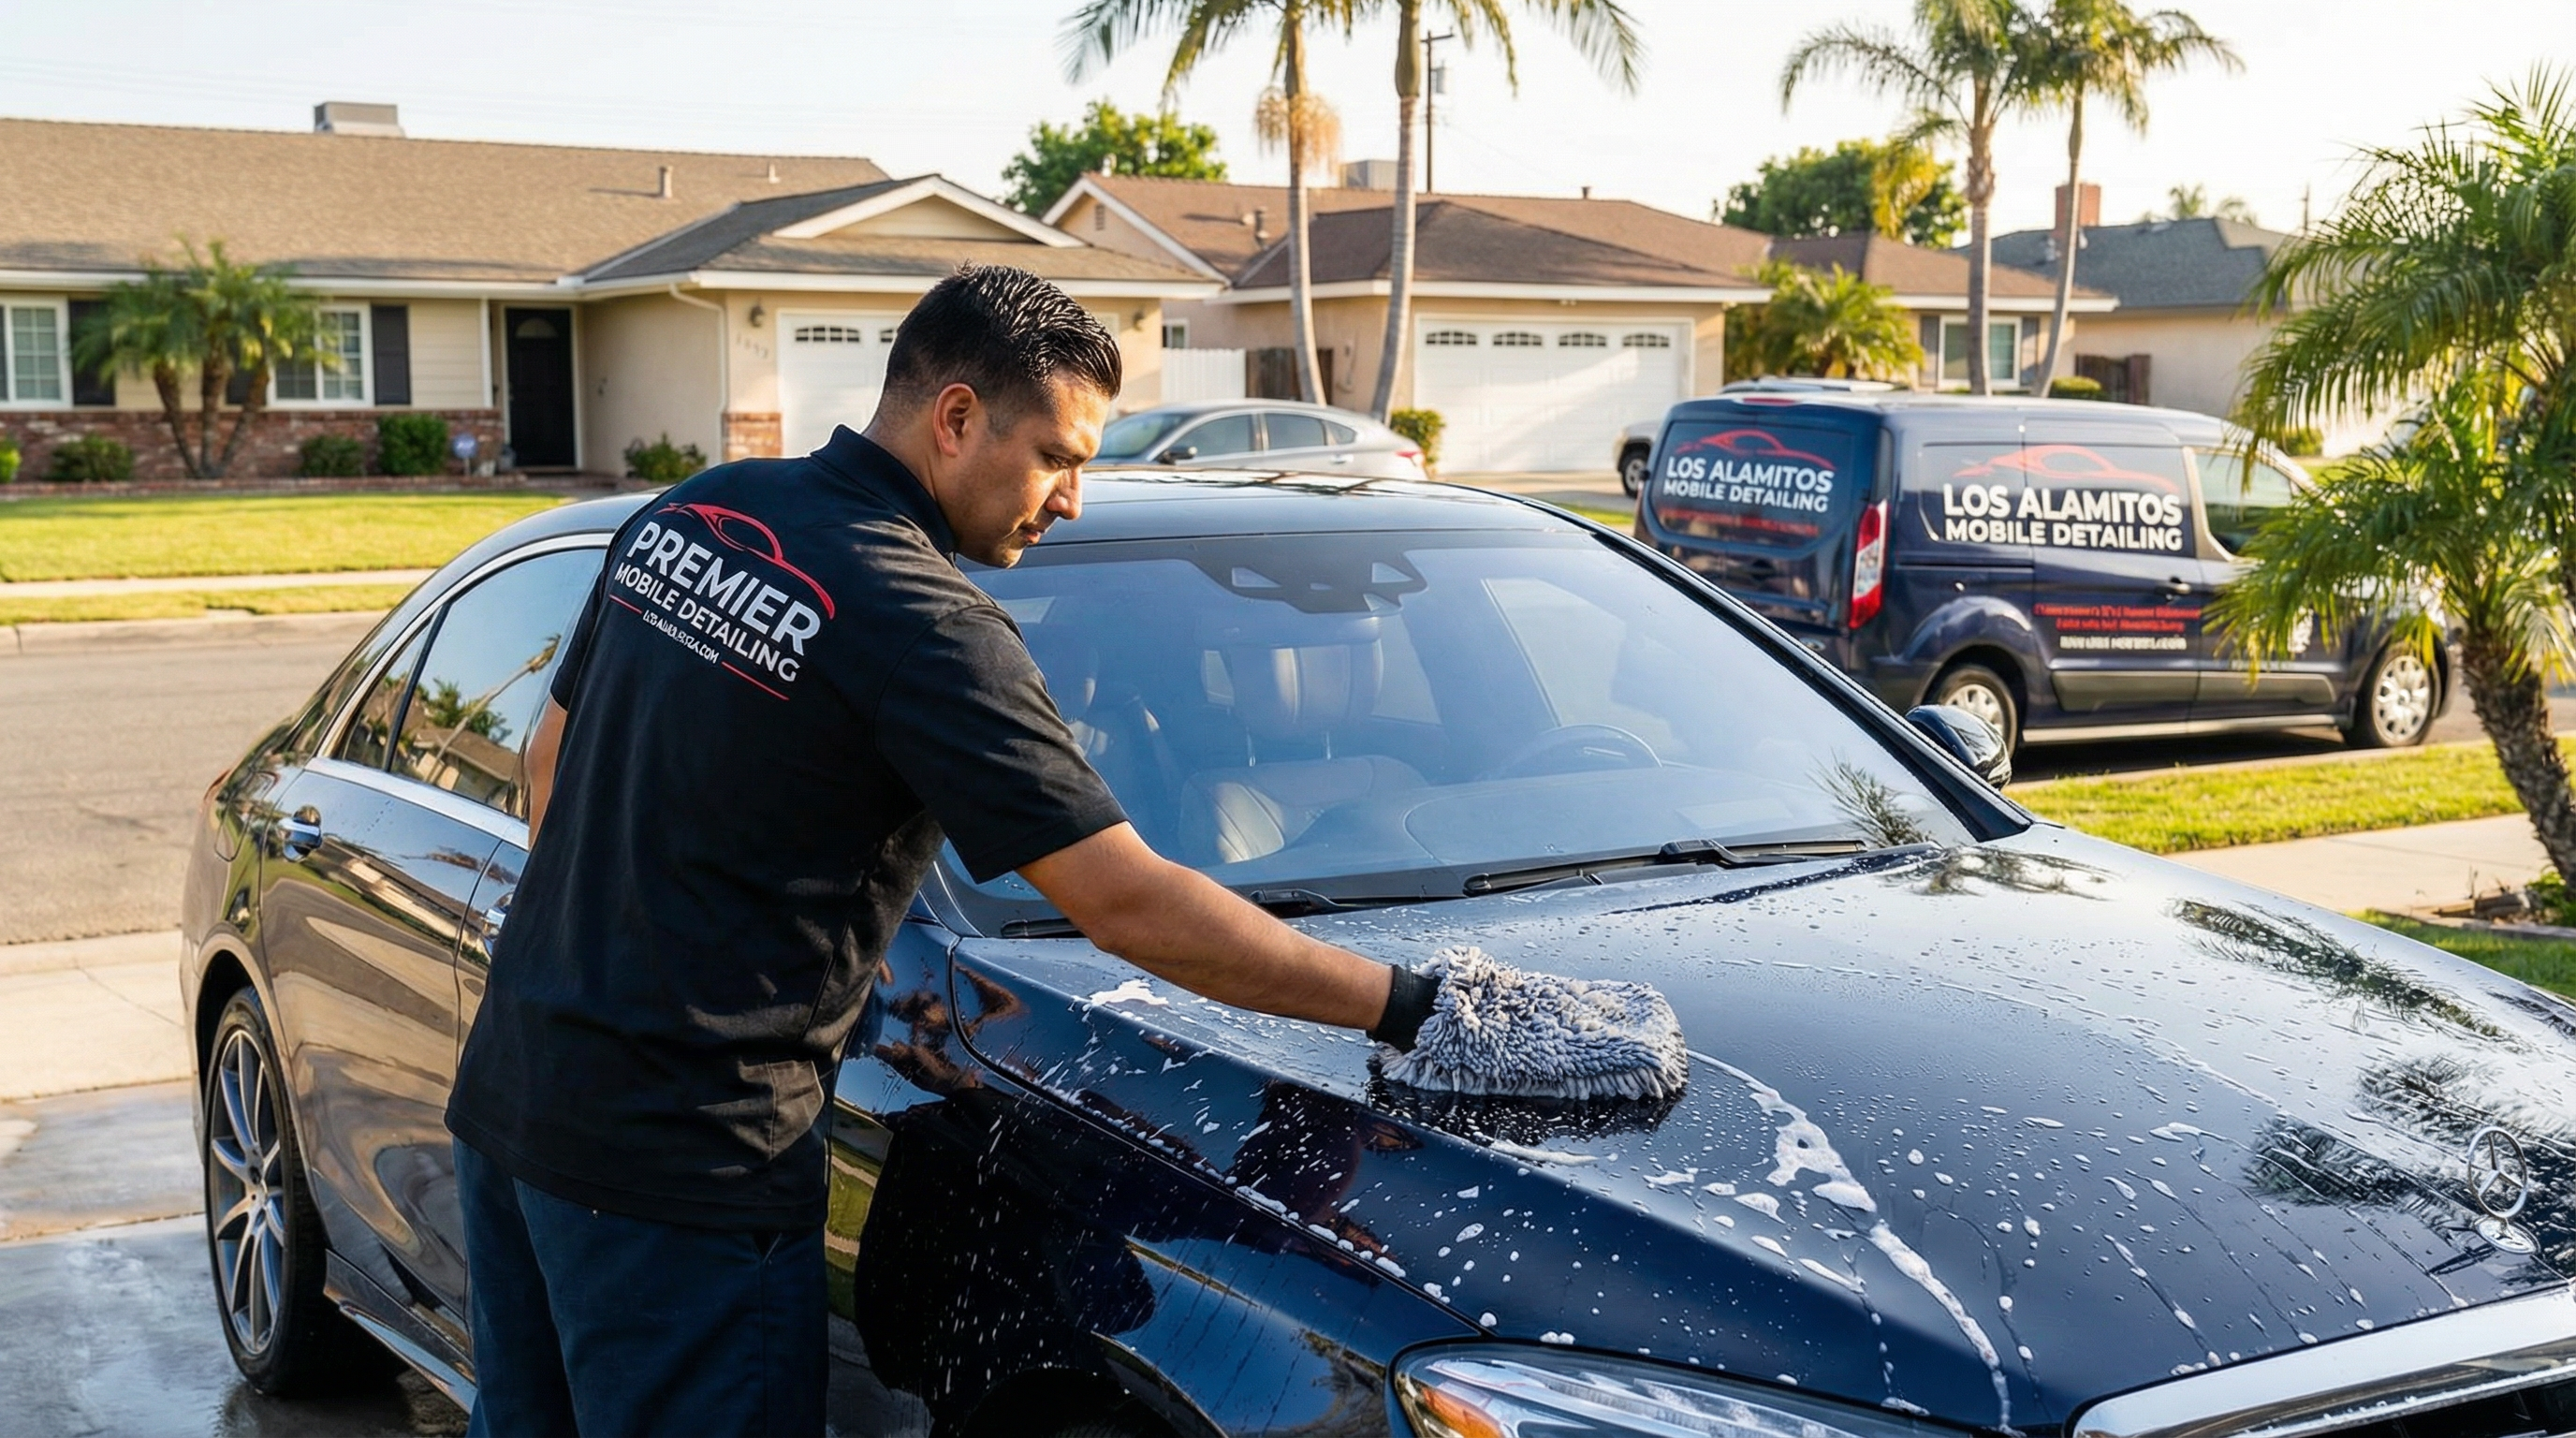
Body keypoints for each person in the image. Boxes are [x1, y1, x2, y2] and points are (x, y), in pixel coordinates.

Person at [443, 265, 1441, 1437]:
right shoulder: (925, 624)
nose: (1073, 498)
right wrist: (1411, 1007)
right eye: (1059, 458)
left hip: (515, 1101)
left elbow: (549, 768)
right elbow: (1123, 903)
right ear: (956, 417)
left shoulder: (695, 514)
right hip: (688, 1168)